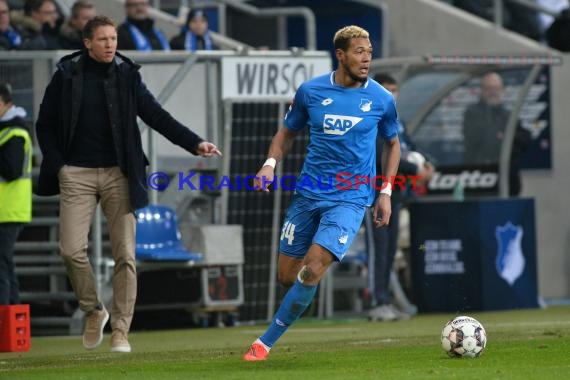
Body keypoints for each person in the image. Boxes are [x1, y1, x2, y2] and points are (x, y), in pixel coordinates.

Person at [35, 15, 221, 353]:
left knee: (125, 255)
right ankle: (94, 310)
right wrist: (59, 166)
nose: (110, 45)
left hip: (120, 174)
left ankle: (121, 330)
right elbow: (44, 124)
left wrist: (195, 143)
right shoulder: (65, 75)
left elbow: (157, 115)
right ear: (87, 42)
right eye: (103, 39)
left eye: (114, 39)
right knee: (70, 250)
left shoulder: (127, 75)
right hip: (75, 173)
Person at [242, 25, 401, 361]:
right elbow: (286, 134)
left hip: (351, 197)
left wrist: (384, 192)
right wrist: (269, 164)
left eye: (369, 52)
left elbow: (392, 144)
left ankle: (264, 343)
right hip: (308, 194)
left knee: (313, 268)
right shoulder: (311, 92)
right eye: (359, 52)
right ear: (340, 55)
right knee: (288, 276)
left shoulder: (381, 99)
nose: (366, 58)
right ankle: (300, 298)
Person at [367, 73, 434, 322]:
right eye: (388, 89)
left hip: (395, 195)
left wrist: (428, 164)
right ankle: (377, 302)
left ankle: (385, 300)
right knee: (379, 248)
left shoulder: (397, 120)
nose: (393, 94)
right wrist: (413, 167)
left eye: (395, 89)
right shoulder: (371, 119)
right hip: (373, 193)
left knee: (391, 248)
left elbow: (411, 147)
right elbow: (378, 152)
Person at [462, 72, 531, 196]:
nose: (493, 92)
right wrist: (500, 136)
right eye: (489, 88)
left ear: (502, 90)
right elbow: (478, 138)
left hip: (506, 178)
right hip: (480, 178)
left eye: (496, 88)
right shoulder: (472, 113)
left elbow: (525, 140)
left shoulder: (508, 116)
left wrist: (504, 137)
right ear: (482, 91)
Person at [0, 82, 32, 305]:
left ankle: (5, 320)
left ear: (6, 103)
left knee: (2, 268)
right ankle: (11, 323)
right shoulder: (9, 130)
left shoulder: (14, 132)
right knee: (5, 266)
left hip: (8, 210)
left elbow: (11, 170)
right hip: (7, 210)